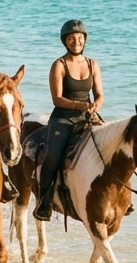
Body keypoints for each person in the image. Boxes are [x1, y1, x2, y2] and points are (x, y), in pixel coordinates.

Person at [33, 19, 104, 221]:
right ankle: (44, 203)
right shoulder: (59, 65)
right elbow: (57, 98)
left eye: (79, 38)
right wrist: (80, 105)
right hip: (63, 119)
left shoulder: (93, 64)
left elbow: (99, 95)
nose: (76, 42)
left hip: (87, 118)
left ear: (85, 40)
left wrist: (95, 106)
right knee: (53, 155)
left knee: (109, 147)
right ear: (65, 41)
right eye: (72, 39)